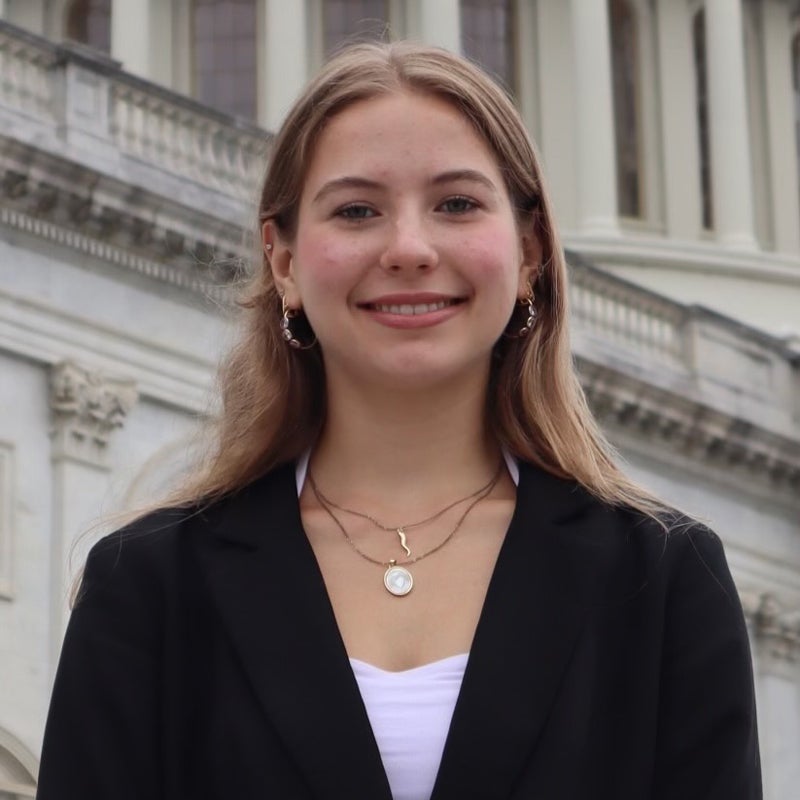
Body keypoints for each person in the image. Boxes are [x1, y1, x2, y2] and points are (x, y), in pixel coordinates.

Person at [36, 42, 761, 800]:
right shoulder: (147, 584)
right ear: (283, 262)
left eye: (457, 204)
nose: (409, 249)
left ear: (531, 254)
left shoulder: (663, 580)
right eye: (356, 210)